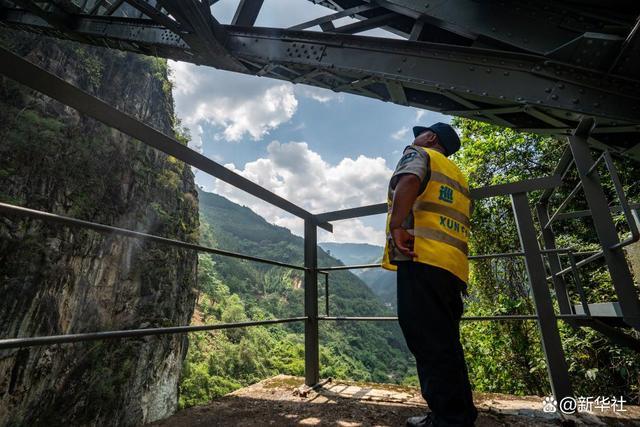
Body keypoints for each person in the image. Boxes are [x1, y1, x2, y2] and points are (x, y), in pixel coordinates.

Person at [382, 122, 477, 427]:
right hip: (453, 266)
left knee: (427, 340)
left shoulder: (419, 153)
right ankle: (459, 414)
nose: (414, 138)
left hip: (421, 256)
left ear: (430, 138)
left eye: (419, 134)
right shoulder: (456, 174)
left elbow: (409, 180)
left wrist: (397, 225)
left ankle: (449, 419)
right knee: (446, 342)